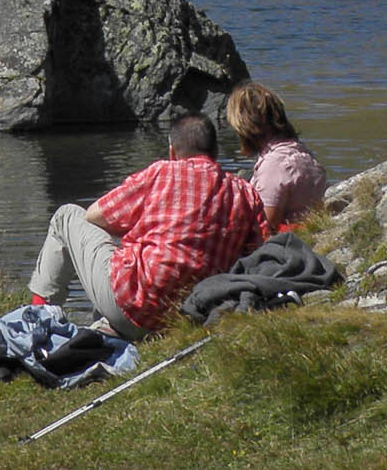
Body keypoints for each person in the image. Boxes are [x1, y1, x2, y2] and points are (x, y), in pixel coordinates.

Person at [26, 112, 265, 337]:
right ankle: (102, 324)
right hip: (192, 319)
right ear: (215, 151)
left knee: (66, 216)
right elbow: (257, 255)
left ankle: (39, 320)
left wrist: (139, 228)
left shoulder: (162, 173)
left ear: (172, 151)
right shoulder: (245, 193)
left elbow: (95, 215)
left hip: (133, 310)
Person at [227, 82, 328, 232]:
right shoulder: (302, 154)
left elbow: (265, 229)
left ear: (245, 126)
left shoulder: (274, 166)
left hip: (285, 247)